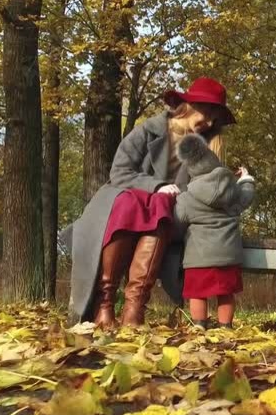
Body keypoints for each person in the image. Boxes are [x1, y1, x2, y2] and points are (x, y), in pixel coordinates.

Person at [67, 77, 236, 328]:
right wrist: (155, 186)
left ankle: (134, 307)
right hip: (123, 201)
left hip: (167, 213)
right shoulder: (149, 130)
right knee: (132, 203)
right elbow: (120, 172)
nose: (210, 123)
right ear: (189, 105)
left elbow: (202, 188)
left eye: (215, 119)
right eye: (208, 113)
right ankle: (105, 305)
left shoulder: (203, 147)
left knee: (160, 206)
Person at [173, 132, 255, 329]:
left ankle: (199, 324)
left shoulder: (188, 197)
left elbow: (177, 220)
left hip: (198, 257)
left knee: (197, 293)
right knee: (226, 293)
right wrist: (246, 179)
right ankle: (225, 326)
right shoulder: (231, 189)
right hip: (228, 255)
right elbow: (246, 197)